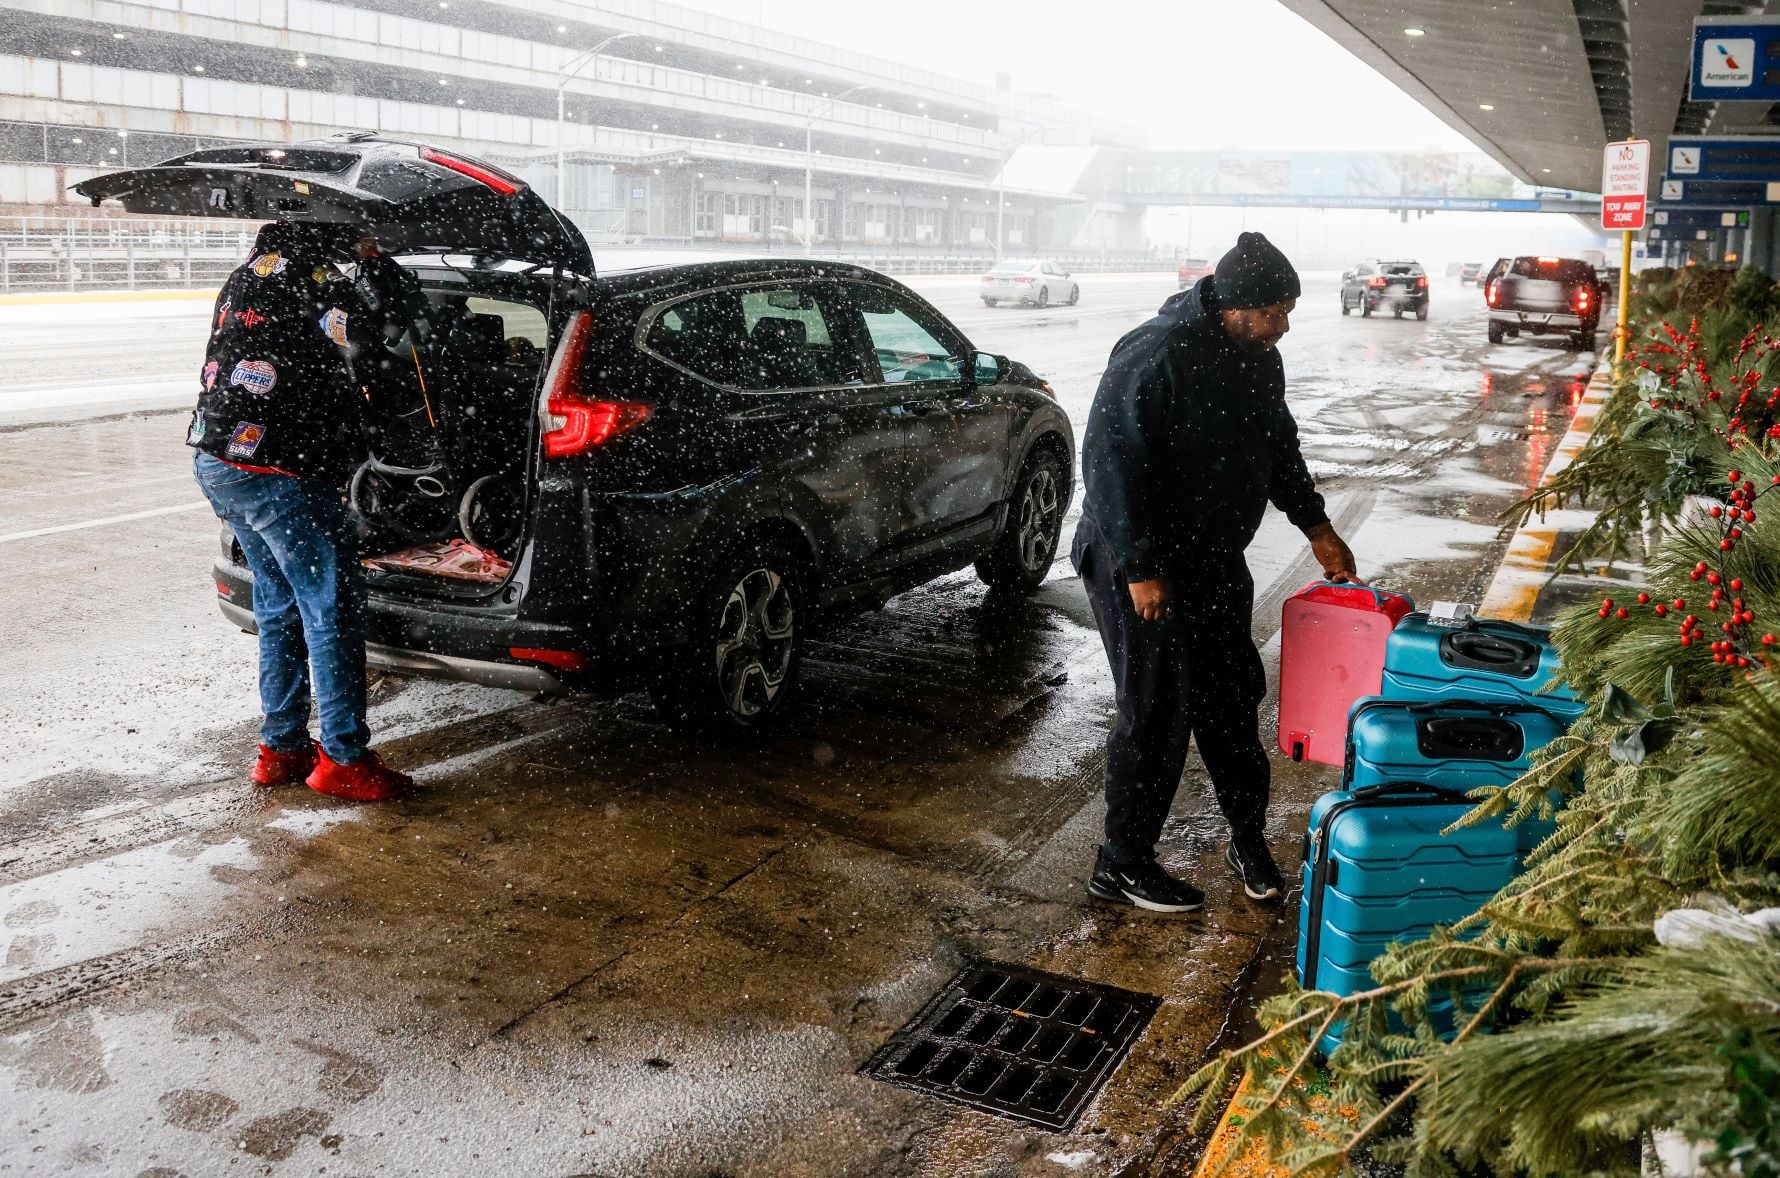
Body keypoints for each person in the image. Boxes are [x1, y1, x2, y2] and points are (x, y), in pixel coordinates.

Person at [1073, 231, 1357, 914]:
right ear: (1234, 306)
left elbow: (1278, 444)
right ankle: (1122, 863)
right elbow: (1108, 460)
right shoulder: (1159, 351)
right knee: (1157, 710)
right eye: (1273, 311)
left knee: (1231, 699)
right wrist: (1141, 567)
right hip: (1138, 560)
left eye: (1288, 310)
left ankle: (1247, 837)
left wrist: (1315, 526)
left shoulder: (1260, 359)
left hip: (1211, 560)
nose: (1283, 324)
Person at [190, 220, 413, 802]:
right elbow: (371, 330)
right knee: (331, 611)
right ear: (323, 237)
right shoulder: (312, 276)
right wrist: (374, 263)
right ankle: (343, 759)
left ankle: (282, 747)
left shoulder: (246, 275)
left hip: (219, 460)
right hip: (279, 470)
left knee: (280, 605)